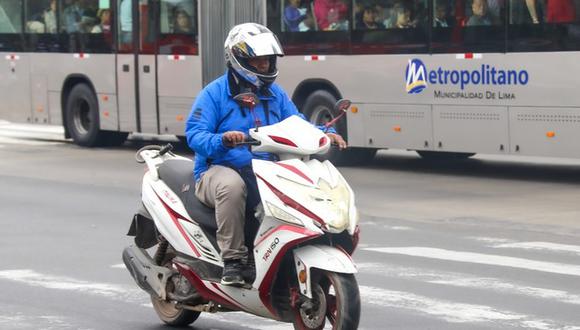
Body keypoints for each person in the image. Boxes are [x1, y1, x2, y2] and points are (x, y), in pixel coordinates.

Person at [185, 23, 346, 286]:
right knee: (232, 187)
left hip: (264, 169)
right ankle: (234, 261)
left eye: (267, 61)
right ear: (239, 60)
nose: (264, 67)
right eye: (257, 61)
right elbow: (194, 134)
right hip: (216, 170)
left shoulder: (275, 94)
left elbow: (297, 122)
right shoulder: (214, 94)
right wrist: (223, 140)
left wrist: (324, 134)